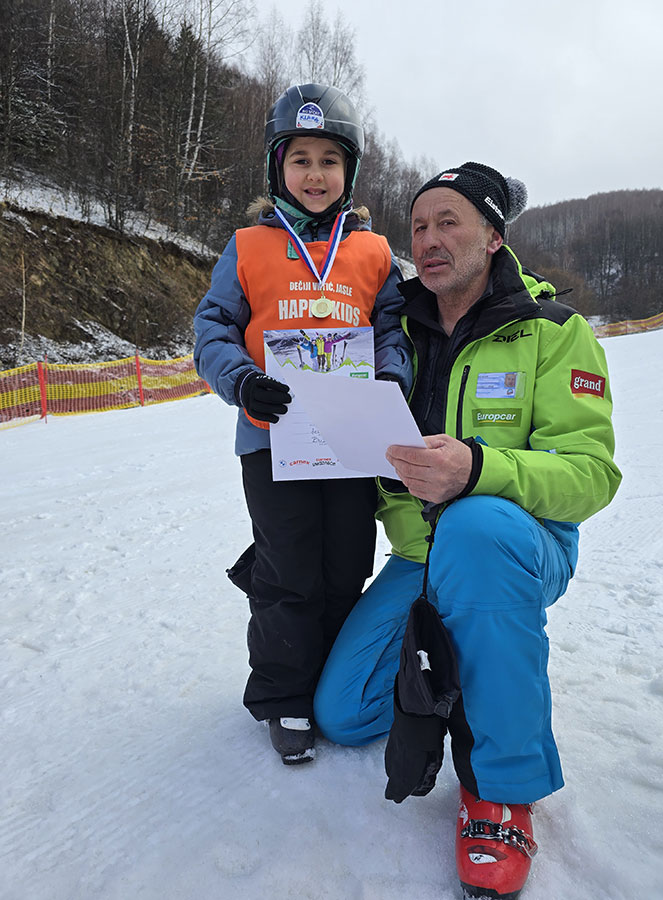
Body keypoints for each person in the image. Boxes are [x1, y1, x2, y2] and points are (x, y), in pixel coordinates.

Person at [313, 162, 622, 898]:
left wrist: (478, 469)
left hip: (517, 545)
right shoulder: (391, 330)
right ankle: (471, 666)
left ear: (493, 236)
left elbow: (590, 475)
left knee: (478, 527)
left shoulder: (552, 331)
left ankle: (500, 789)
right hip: (419, 556)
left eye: (448, 222)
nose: (428, 239)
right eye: (418, 226)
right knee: (344, 713)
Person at [193, 84, 411, 765]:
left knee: (345, 564)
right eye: (300, 160)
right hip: (271, 437)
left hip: (349, 440)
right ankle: (284, 693)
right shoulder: (247, 246)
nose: (315, 175)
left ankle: (331, 682)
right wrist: (242, 382)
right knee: (288, 568)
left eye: (329, 161)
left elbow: (392, 330)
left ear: (349, 171)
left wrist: (390, 379)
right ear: (276, 168)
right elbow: (211, 329)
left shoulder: (374, 252)